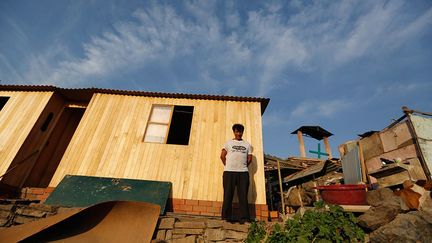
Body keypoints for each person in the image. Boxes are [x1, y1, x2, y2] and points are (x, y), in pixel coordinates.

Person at [220, 123, 252, 224]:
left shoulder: (247, 144)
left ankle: (244, 218)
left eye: (240, 131)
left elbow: (249, 158)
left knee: (243, 196)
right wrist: (228, 165)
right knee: (228, 195)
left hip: (243, 173)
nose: (239, 133)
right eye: (237, 131)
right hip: (229, 172)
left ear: (243, 132)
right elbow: (222, 156)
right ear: (234, 132)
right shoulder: (228, 143)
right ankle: (226, 218)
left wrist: (242, 166)